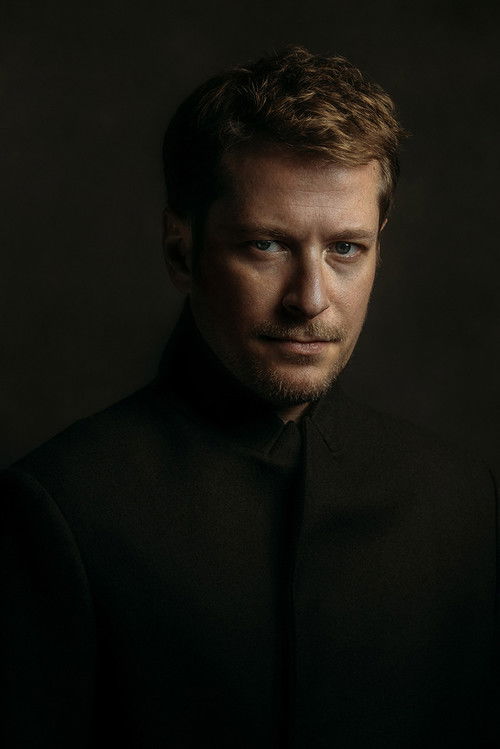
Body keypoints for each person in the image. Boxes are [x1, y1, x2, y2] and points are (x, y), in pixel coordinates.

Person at [1, 46, 497, 748]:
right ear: (181, 251)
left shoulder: (459, 503)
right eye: (267, 245)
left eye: (346, 249)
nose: (310, 299)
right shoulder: (60, 510)